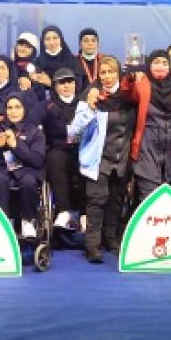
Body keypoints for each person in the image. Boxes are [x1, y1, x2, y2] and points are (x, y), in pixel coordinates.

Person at [70, 55, 136, 262]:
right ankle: (92, 245)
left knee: (116, 201)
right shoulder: (90, 95)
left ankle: (111, 239)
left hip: (123, 159)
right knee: (96, 202)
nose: (106, 77)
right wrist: (90, 107)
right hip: (98, 160)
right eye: (103, 73)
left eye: (111, 72)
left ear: (118, 74)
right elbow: (74, 131)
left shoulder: (129, 97)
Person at [125, 49, 171, 203]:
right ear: (149, 65)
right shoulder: (142, 83)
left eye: (165, 63)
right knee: (149, 199)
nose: (161, 66)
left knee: (166, 199)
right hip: (147, 149)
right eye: (156, 62)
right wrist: (129, 79)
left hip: (170, 153)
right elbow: (128, 94)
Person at [0, 94, 46, 240]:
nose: (13, 112)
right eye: (10, 108)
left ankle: (28, 221)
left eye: (17, 107)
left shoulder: (35, 131)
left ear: (25, 109)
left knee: (29, 182)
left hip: (28, 169)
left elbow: (37, 160)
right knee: (0, 179)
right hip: (2, 169)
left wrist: (15, 145)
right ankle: (4, 221)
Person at [43, 69, 84, 230]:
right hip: (58, 150)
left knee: (88, 161)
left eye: (69, 81)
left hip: (81, 150)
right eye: (62, 82)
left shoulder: (84, 104)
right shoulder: (47, 106)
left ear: (75, 84)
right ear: (55, 85)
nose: (66, 85)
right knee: (54, 159)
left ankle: (85, 214)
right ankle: (63, 211)